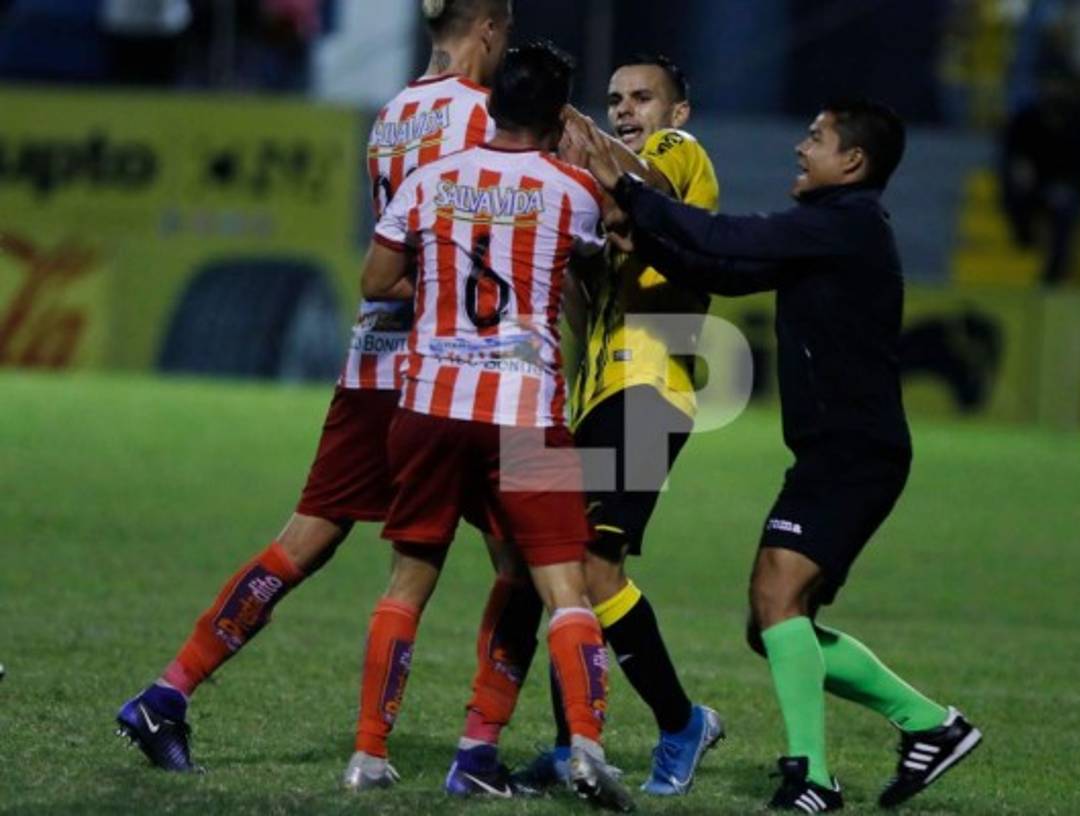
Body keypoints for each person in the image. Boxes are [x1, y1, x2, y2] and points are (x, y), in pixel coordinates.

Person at [114, 0, 512, 773]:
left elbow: (391, 246)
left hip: (370, 361)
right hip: (461, 375)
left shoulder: (392, 112)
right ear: (491, 28)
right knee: (531, 556)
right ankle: (484, 750)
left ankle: (168, 692)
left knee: (308, 538)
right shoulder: (488, 118)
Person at [567, 99, 982, 812]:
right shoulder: (835, 231)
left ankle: (812, 779)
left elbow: (726, 235)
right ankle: (929, 724)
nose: (800, 148)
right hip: (840, 452)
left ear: (851, 162)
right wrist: (647, 234)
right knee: (771, 623)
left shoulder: (842, 225)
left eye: (815, 139)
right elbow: (723, 267)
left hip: (854, 454)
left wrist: (632, 194)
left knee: (775, 598)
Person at [351, 40, 635, 812]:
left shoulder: (430, 178)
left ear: (492, 102)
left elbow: (377, 282)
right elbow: (611, 247)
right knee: (560, 586)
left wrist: (442, 281)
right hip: (524, 414)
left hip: (431, 406)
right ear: (557, 116)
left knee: (408, 584)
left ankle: (369, 752)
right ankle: (581, 745)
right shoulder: (570, 189)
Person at [502, 54, 725, 797]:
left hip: (651, 386)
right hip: (597, 394)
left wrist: (578, 128)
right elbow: (577, 303)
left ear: (678, 112)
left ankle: (680, 721)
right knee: (553, 563)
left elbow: (648, 187)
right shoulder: (601, 194)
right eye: (614, 99)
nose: (626, 108)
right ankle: (573, 744)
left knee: (593, 567)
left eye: (642, 98)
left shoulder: (676, 155)